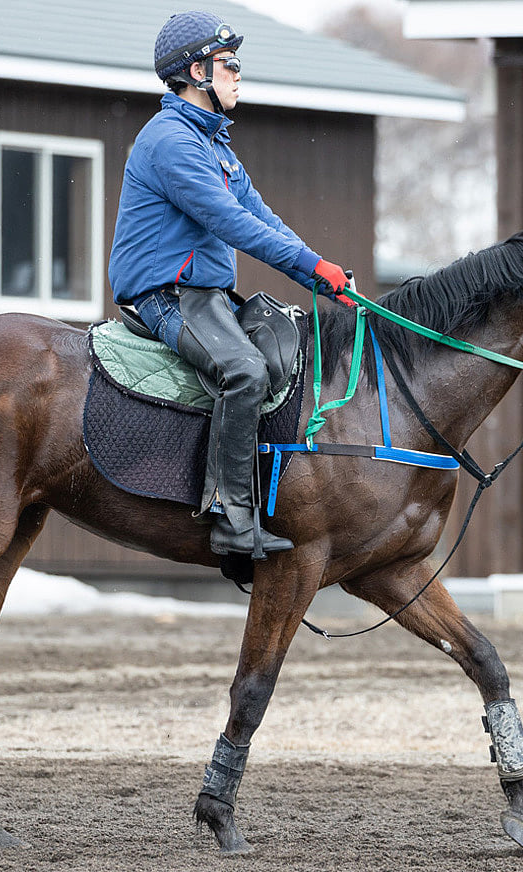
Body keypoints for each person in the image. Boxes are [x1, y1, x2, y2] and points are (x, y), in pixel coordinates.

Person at [108, 10, 358, 558]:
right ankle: (229, 517)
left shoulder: (216, 145)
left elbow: (263, 217)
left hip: (209, 297)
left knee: (283, 355)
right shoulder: (170, 142)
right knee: (244, 371)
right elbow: (231, 222)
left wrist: (319, 273)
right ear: (198, 71)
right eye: (230, 64)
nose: (238, 74)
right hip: (165, 298)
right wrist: (312, 267)